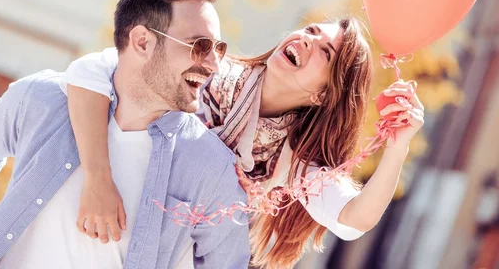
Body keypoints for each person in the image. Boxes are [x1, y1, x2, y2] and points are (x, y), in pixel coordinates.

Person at [0, 0, 250, 269]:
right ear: (143, 42)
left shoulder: (210, 167)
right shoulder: (42, 100)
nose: (213, 65)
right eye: (199, 46)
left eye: (218, 49)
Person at [62, 17, 425, 267]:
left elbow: (353, 219)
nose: (309, 40)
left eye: (326, 53)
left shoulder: (290, 163)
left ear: (323, 96)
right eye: (312, 30)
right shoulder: (203, 69)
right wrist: (97, 179)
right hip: (91, 222)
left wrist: (399, 145)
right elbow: (94, 70)